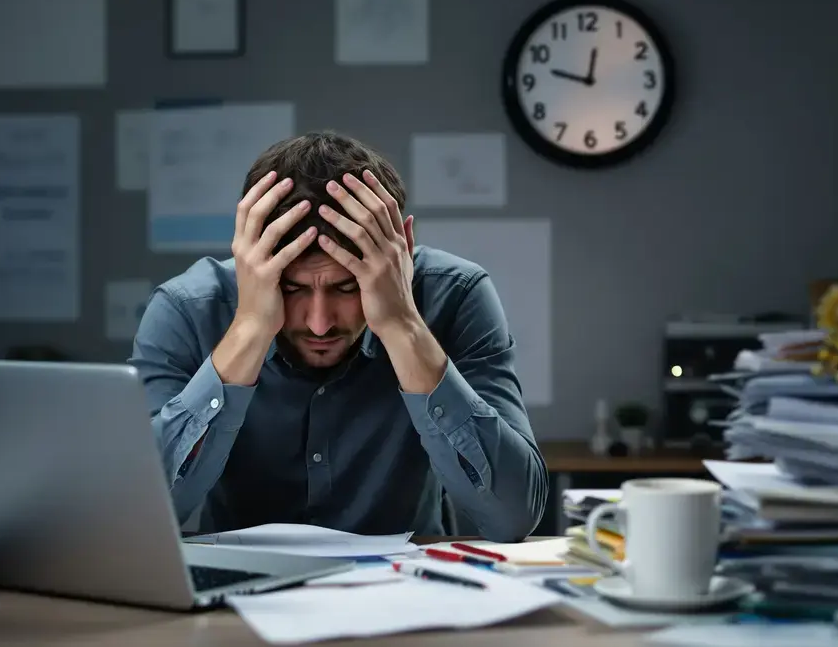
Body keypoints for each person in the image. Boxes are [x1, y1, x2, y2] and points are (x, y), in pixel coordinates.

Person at [129, 132, 547, 540]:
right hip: (235, 598)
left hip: (405, 591)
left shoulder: (456, 296)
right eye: (291, 288)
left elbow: (512, 516)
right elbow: (139, 514)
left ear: (401, 251)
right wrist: (251, 327)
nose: (319, 323)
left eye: (347, 288)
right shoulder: (186, 308)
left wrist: (403, 324)